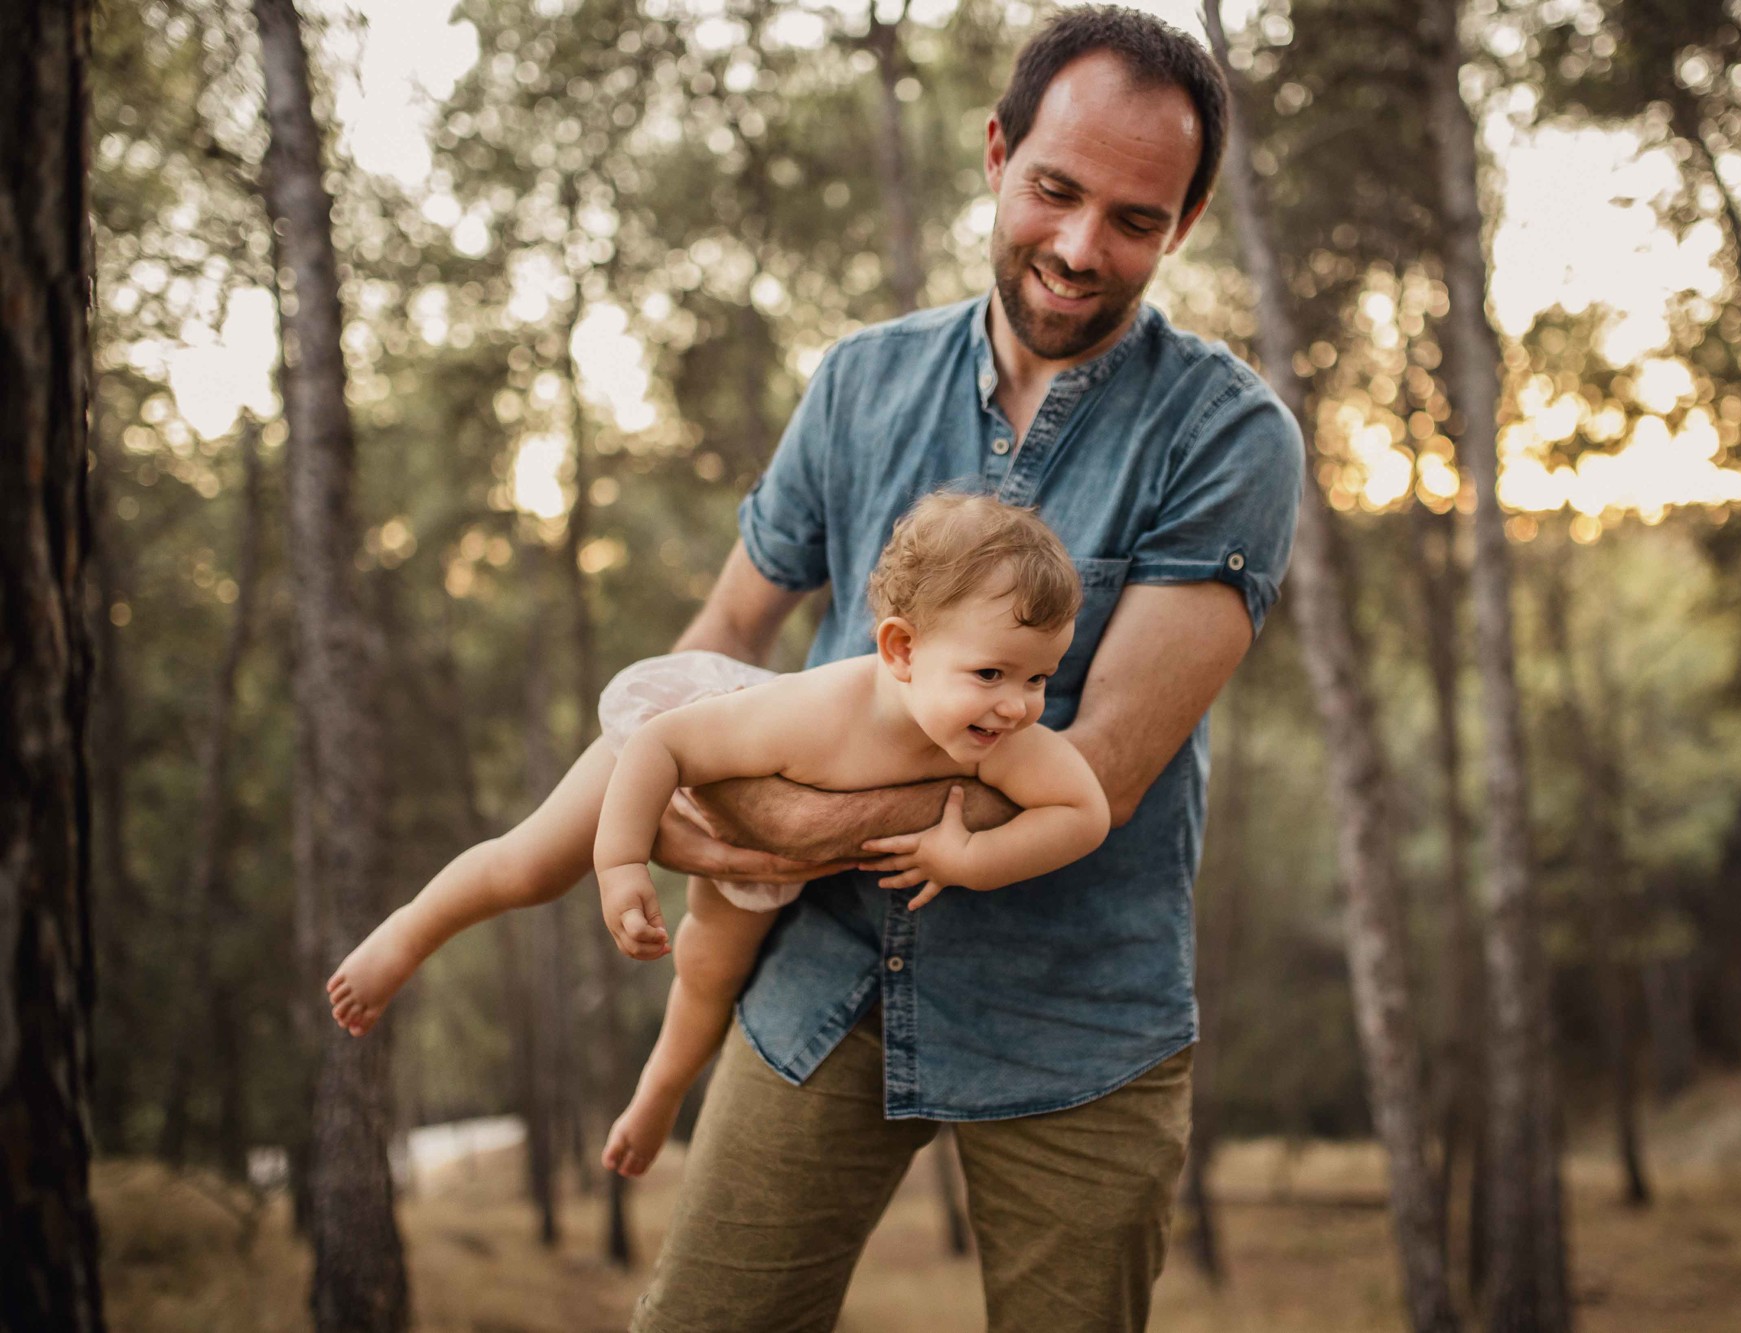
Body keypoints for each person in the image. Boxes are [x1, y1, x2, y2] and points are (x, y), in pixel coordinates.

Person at [625, 9, 1303, 1332]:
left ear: (1188, 222)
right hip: (820, 985)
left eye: (1134, 219)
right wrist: (665, 792)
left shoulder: (1233, 438)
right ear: (998, 152)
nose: (1077, 246)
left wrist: (789, 818)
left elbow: (1098, 763)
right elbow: (719, 641)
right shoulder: (859, 382)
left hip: (1081, 1020)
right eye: (1055, 190)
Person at [326, 493, 1111, 1178]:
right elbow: (662, 745)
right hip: (688, 742)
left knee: (708, 967)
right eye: (991, 674)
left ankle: (660, 1090)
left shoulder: (1006, 736)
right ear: (902, 650)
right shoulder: (812, 713)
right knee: (531, 863)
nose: (1017, 705)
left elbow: (1083, 813)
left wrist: (972, 858)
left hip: (772, 851)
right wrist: (620, 859)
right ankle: (406, 931)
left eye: (1038, 678)